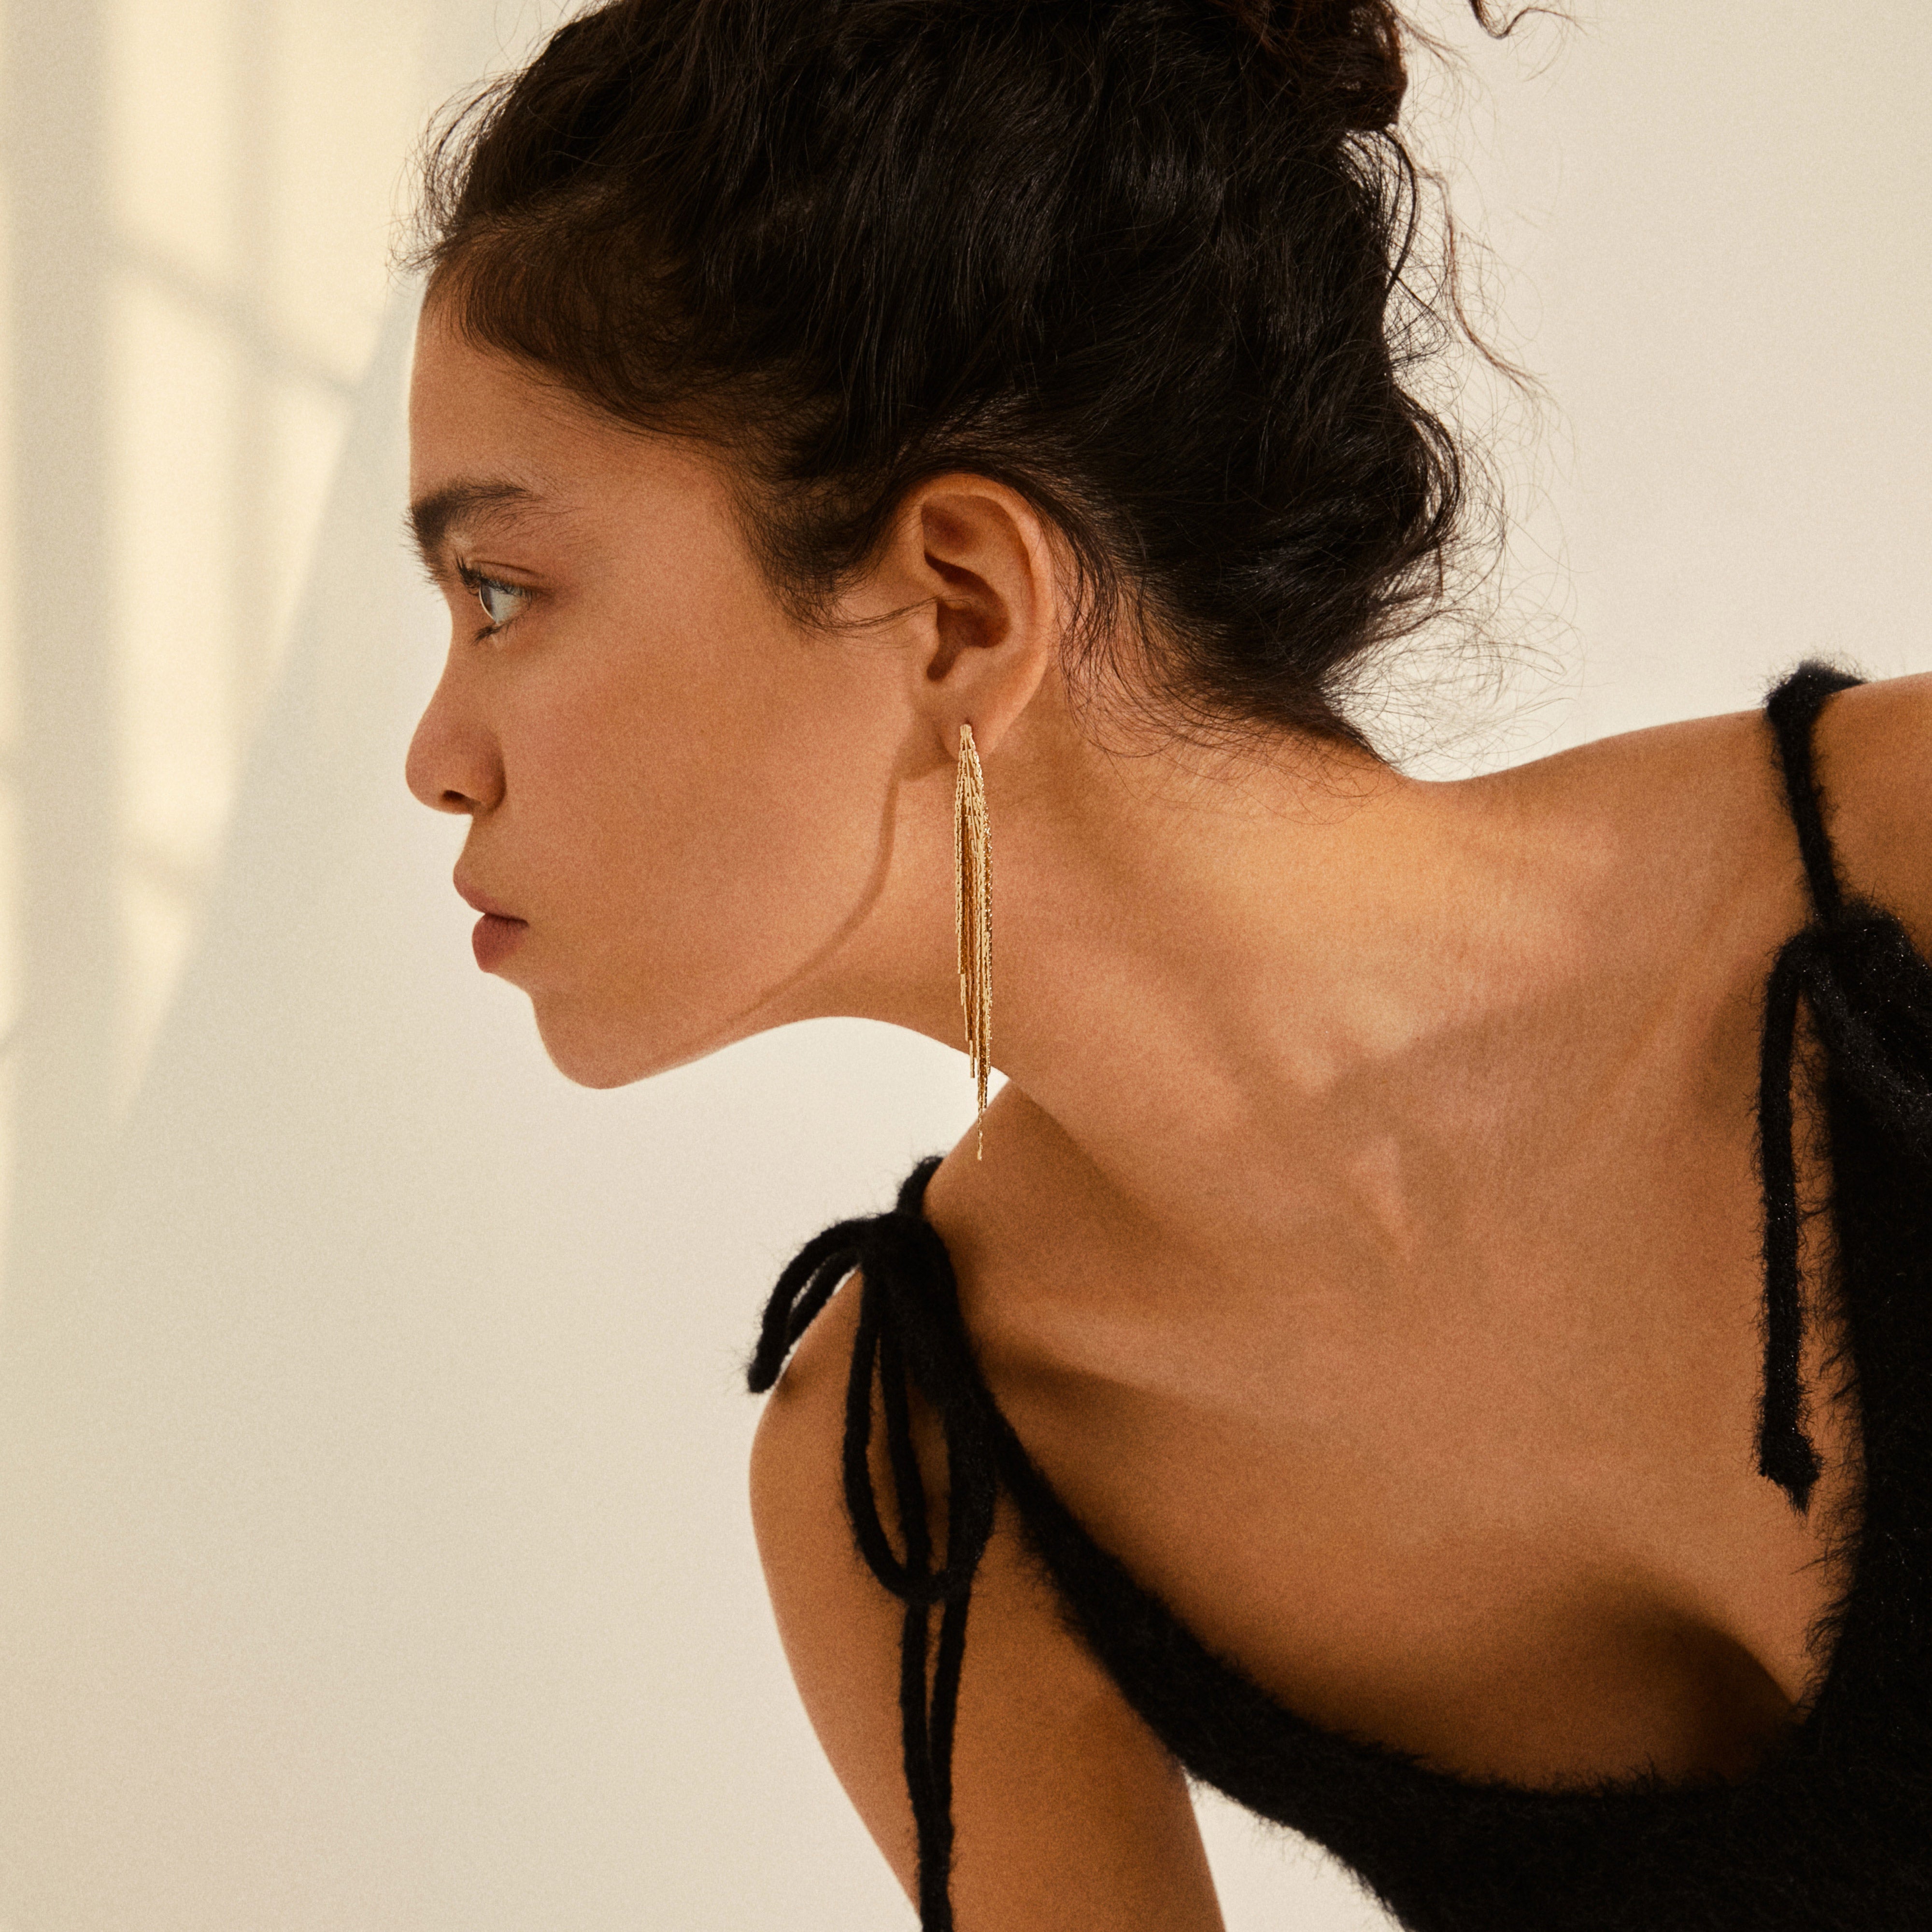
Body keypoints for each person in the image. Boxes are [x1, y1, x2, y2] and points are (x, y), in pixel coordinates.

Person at [399, 0, 1932, 1925]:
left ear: (957, 601)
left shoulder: (1904, 876)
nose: (434, 754)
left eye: (504, 590)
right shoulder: (920, 1489)